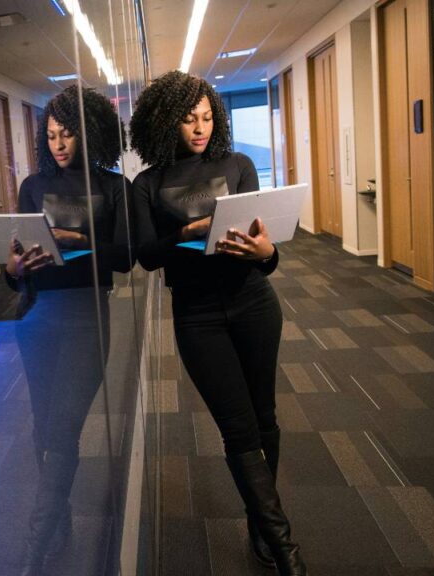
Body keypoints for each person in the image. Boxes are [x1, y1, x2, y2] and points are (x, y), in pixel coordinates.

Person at [129, 71, 306, 575]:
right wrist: (189, 231)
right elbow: (145, 255)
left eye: (207, 117)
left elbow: (262, 254)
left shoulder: (239, 164)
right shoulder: (148, 183)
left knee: (264, 417)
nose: (200, 128)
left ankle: (259, 524)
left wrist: (268, 251)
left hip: (253, 303)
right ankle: (284, 545)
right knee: (237, 427)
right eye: (188, 120)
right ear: (166, 123)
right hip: (198, 315)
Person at [4, 85, 132, 575]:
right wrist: (14, 269)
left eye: (68, 134)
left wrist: (79, 238)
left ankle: (35, 547)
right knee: (43, 428)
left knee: (63, 429)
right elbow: (15, 273)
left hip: (87, 317)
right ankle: (59, 521)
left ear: (89, 131)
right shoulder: (33, 186)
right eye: (52, 135)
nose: (58, 144)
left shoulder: (112, 186)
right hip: (39, 319)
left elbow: (123, 259)